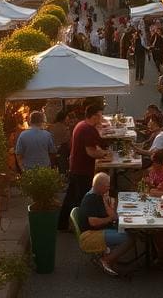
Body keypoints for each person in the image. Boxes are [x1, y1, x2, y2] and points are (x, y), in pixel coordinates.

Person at [57, 103, 111, 231]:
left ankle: (62, 224)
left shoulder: (82, 125)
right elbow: (91, 152)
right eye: (100, 115)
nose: (101, 118)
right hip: (82, 169)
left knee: (71, 197)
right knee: (84, 198)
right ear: (95, 116)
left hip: (75, 167)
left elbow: (98, 141)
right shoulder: (87, 129)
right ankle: (83, 227)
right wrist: (104, 154)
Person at [77, 172, 137, 277]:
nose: (109, 188)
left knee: (128, 230)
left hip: (97, 230)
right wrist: (109, 219)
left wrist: (105, 202)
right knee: (129, 238)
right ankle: (106, 260)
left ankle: (110, 258)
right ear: (99, 186)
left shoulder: (98, 195)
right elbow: (93, 222)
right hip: (90, 235)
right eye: (107, 186)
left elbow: (114, 216)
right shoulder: (90, 199)